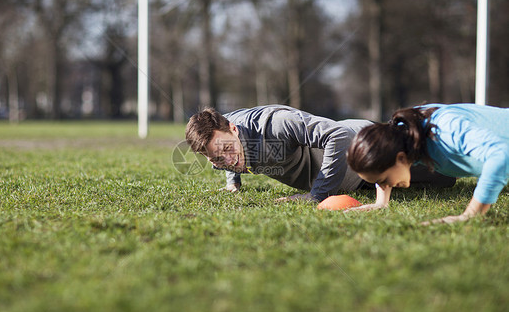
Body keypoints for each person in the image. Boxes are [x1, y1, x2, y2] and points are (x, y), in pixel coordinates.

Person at [185, 105, 455, 204]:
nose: (226, 160)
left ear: (234, 129)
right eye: (216, 159)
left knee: (448, 173)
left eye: (228, 151)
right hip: (358, 178)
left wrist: (316, 195)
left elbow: (339, 136)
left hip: (367, 150)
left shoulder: (277, 123)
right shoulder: (223, 130)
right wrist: (233, 182)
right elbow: (221, 150)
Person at [346, 103, 509, 224]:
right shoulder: (403, 134)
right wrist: (381, 202)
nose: (384, 185)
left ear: (401, 158)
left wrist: (471, 214)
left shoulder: (445, 129)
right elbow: (383, 157)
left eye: (383, 180)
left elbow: (500, 155)